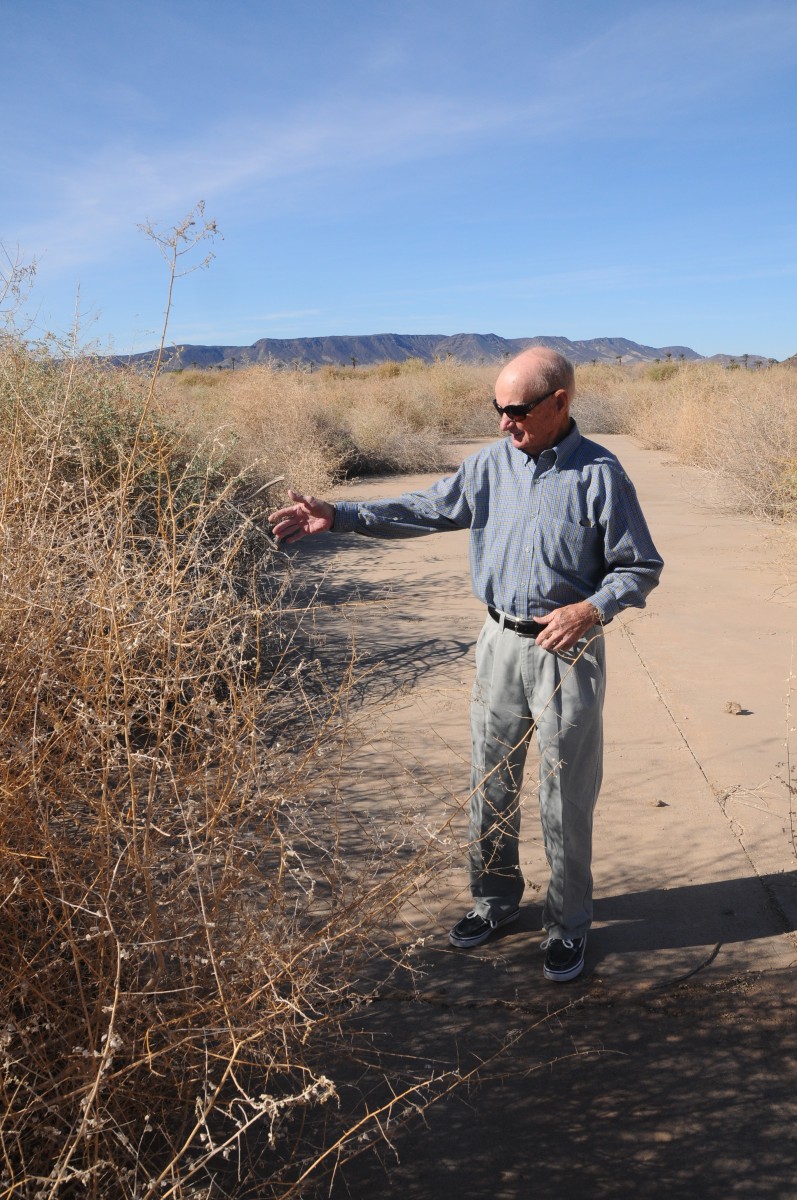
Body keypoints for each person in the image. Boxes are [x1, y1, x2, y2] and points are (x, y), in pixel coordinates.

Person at [268, 348, 663, 982]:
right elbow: (426, 509)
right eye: (498, 409)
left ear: (560, 402)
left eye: (517, 411)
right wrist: (340, 516)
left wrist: (590, 609)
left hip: (567, 648)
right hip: (499, 645)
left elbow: (640, 566)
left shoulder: (601, 474)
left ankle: (567, 926)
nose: (505, 423)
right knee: (491, 781)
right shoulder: (487, 467)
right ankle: (496, 902)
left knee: (565, 794)